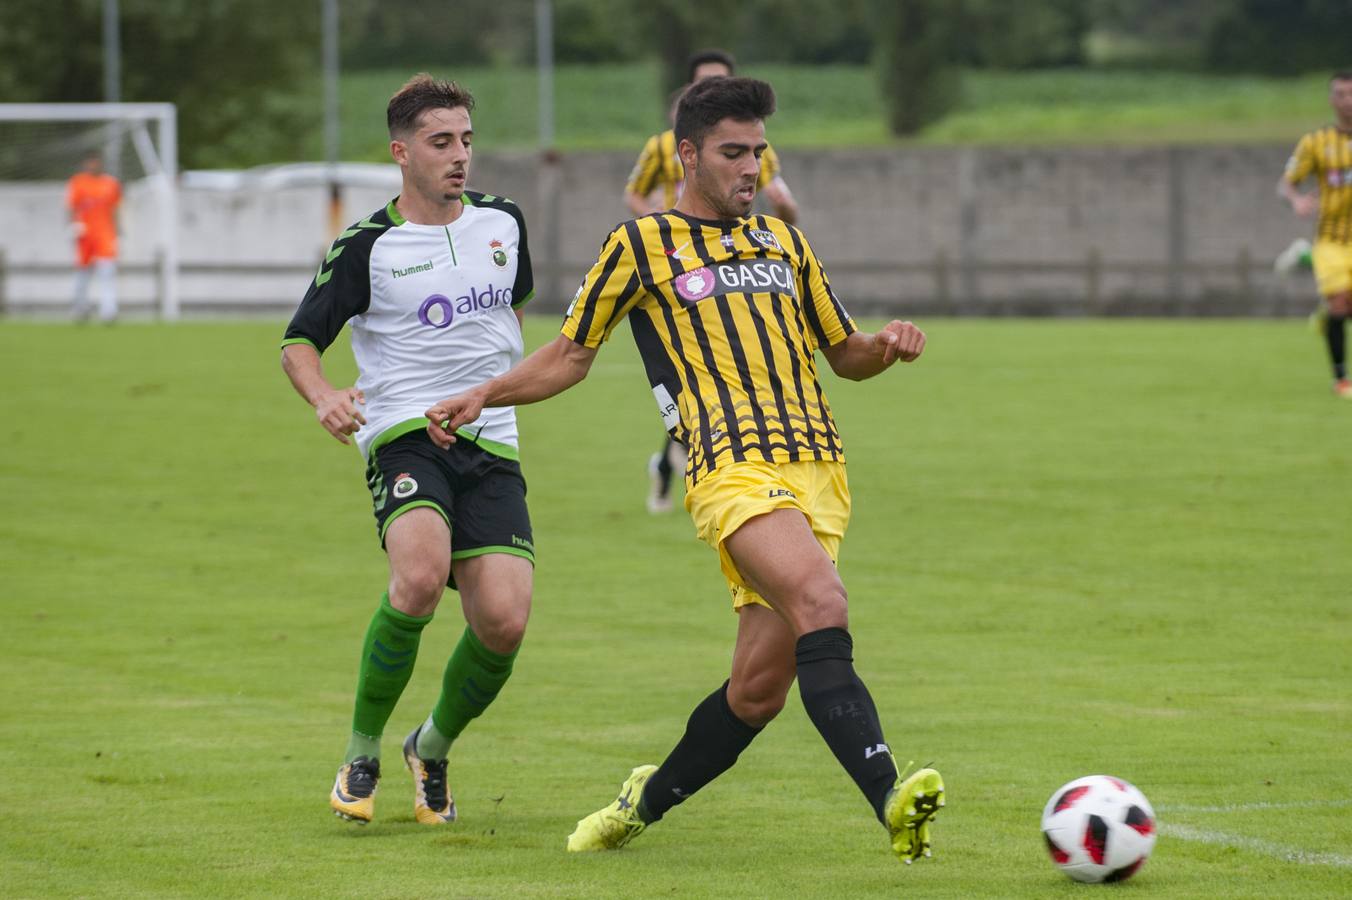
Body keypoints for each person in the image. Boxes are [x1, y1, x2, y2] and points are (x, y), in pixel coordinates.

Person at [425, 76, 944, 864]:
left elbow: (845, 355)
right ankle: (891, 797)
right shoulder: (639, 246)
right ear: (690, 155)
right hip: (730, 470)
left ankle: (642, 803)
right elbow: (570, 356)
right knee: (822, 599)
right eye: (735, 154)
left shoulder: (785, 244)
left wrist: (885, 346)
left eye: (760, 154)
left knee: (757, 693)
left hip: (820, 471)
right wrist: (486, 394)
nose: (752, 170)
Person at [279, 74, 536, 826]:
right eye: (440, 142)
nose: (460, 156)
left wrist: (493, 385)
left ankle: (431, 745)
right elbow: (299, 342)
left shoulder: (505, 222)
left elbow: (509, 310)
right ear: (401, 152)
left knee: (505, 622)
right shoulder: (368, 245)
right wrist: (327, 395)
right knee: (419, 579)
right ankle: (360, 753)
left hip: (491, 439)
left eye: (466, 140)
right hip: (403, 434)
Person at [626, 49, 800, 513]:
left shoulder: (750, 144)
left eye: (722, 80)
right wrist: (662, 230)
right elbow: (634, 193)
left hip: (736, 267)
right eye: (704, 82)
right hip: (676, 269)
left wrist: (782, 220)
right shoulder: (664, 146)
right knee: (688, 380)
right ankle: (688, 467)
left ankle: (700, 468)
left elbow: (782, 201)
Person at [1278, 70, 1352, 397]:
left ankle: (1326, 314)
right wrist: (1295, 200)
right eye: (1340, 94)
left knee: (1342, 306)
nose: (1348, 102)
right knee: (1340, 302)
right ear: (1331, 99)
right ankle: (1341, 380)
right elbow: (1286, 183)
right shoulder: (1316, 142)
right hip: (1332, 240)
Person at [66, 153, 121, 322]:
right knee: (82, 273)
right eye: (90, 163)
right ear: (85, 163)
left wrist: (119, 232)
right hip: (85, 235)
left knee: (107, 272)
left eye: (96, 163)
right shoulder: (78, 182)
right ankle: (80, 308)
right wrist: (73, 226)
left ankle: (108, 311)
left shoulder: (111, 183)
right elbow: (71, 207)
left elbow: (116, 210)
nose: (93, 166)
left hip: (105, 234)